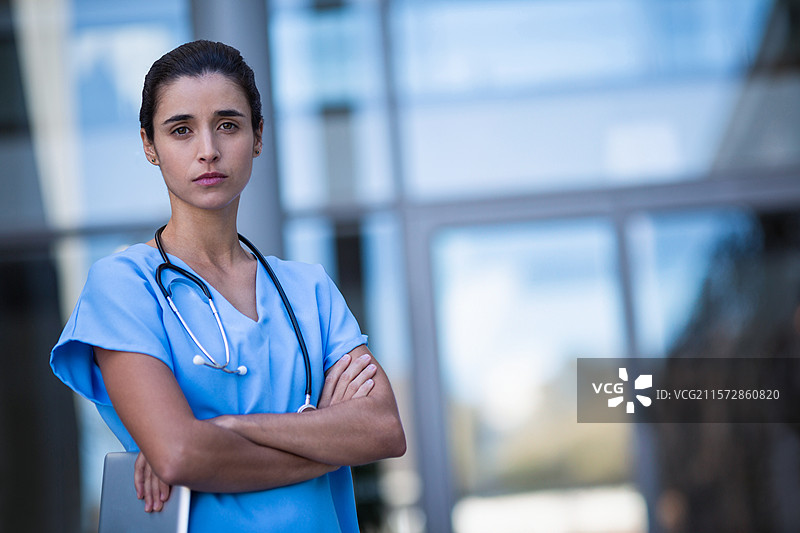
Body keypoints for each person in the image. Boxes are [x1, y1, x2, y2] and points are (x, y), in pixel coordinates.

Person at [50, 40, 405, 532]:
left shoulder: (309, 289)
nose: (208, 150)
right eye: (181, 130)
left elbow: (383, 432)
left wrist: (224, 430)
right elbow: (178, 454)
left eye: (228, 125)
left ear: (258, 135)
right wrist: (324, 435)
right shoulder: (124, 286)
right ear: (149, 145)